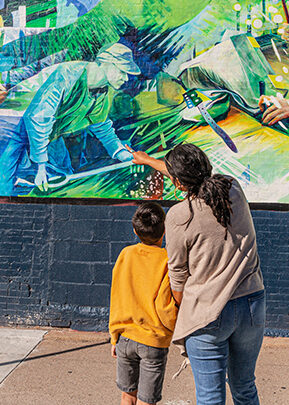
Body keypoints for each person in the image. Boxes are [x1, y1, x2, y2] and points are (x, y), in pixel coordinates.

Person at [126, 143, 265, 405]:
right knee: (245, 388)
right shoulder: (233, 189)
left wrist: (179, 310)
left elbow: (177, 276)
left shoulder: (179, 216)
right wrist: (148, 160)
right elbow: (197, 180)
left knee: (210, 397)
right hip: (251, 305)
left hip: (207, 312)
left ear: (177, 183)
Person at [0, 43, 140, 195]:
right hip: (16, 127)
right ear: (106, 62)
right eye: (122, 71)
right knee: (5, 182)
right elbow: (38, 117)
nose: (126, 78)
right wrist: (41, 165)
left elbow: (101, 125)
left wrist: (121, 153)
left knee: (63, 176)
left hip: (49, 134)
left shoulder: (101, 90)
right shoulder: (68, 74)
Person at [109, 202, 178, 405]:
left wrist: (114, 335)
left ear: (134, 230)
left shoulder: (126, 254)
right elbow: (165, 306)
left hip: (125, 337)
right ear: (164, 231)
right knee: (147, 401)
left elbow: (117, 295)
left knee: (127, 396)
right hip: (153, 341)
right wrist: (174, 331)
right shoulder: (167, 260)